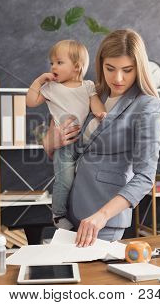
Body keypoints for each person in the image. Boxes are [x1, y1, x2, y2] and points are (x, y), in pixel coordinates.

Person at [42, 29, 160, 247]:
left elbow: (145, 177)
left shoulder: (147, 106)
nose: (117, 78)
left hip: (103, 219)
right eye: (110, 69)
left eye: (127, 70)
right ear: (100, 64)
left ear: (139, 68)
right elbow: (58, 144)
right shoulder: (93, 93)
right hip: (71, 210)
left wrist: (101, 215)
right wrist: (51, 141)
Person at [26, 40, 107, 230]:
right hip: (65, 145)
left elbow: (95, 104)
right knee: (65, 180)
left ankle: (80, 212)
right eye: (51, 63)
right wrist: (39, 81)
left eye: (59, 62)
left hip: (86, 143)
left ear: (76, 67)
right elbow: (31, 101)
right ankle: (58, 214)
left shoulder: (87, 86)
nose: (53, 66)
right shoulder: (51, 88)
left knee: (83, 180)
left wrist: (102, 114)